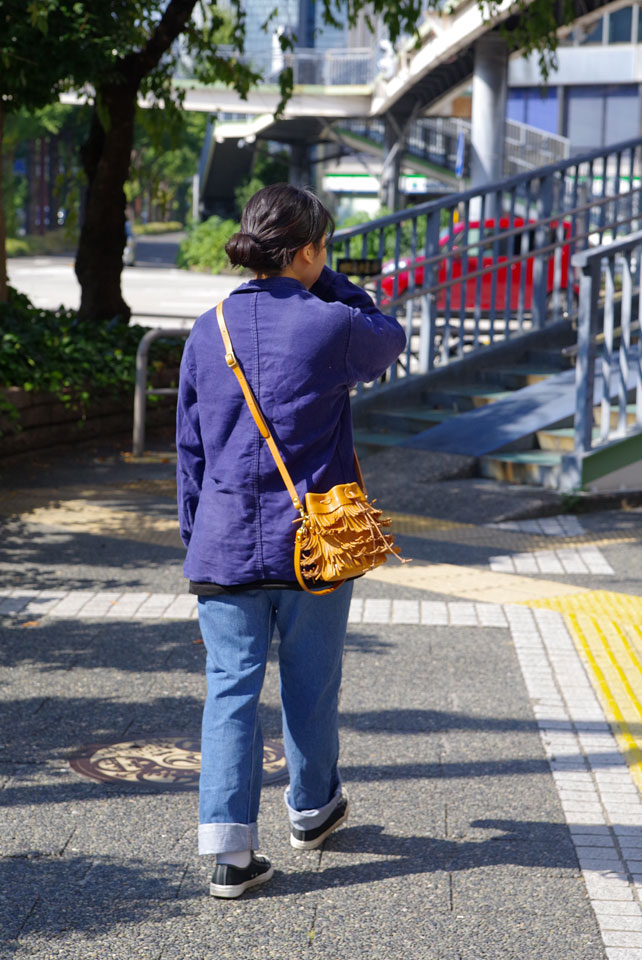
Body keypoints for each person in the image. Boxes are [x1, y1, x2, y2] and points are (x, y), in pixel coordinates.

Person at [176, 183, 406, 899]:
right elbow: (389, 335)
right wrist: (327, 281)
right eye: (323, 249)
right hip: (315, 547)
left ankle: (229, 854)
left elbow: (189, 450)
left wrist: (197, 536)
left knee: (230, 694)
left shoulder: (206, 327)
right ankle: (311, 810)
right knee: (312, 685)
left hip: (223, 545)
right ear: (307, 250)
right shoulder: (331, 324)